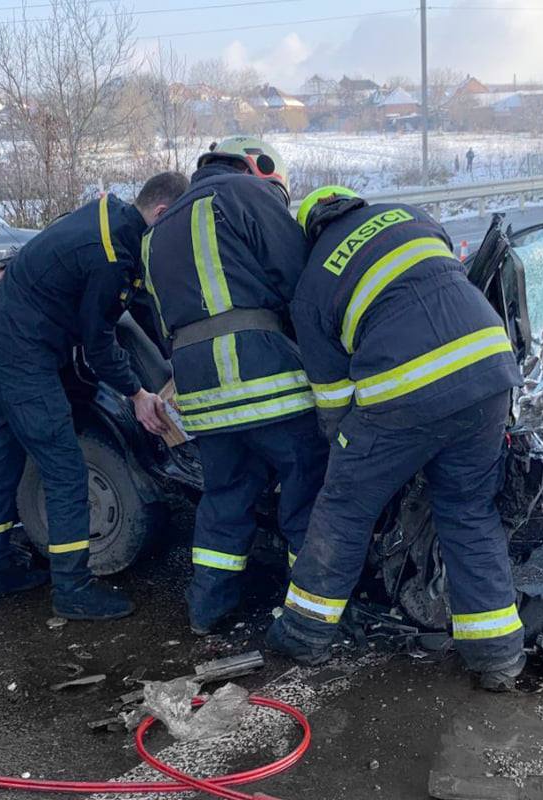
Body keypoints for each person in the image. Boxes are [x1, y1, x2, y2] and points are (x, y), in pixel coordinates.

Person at [264, 185, 526, 692]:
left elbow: (333, 397)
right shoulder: (408, 214)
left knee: (343, 507)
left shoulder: (314, 279)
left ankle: (303, 632)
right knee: (469, 509)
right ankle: (497, 656)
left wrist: (346, 454)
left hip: (404, 394)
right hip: (490, 371)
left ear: (309, 231)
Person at [0, 172, 188, 621]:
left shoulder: (113, 222)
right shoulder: (108, 254)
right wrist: (138, 393)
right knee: (66, 470)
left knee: (1, 459)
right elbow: (98, 340)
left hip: (0, 341)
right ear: (162, 214)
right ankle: (73, 588)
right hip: (22, 355)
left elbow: (133, 306)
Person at [141, 137, 329, 635]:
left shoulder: (155, 233)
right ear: (260, 170)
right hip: (269, 383)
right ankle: (310, 616)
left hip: (202, 396)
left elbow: (164, 324)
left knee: (224, 499)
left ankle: (208, 611)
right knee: (304, 492)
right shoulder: (247, 195)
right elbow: (300, 282)